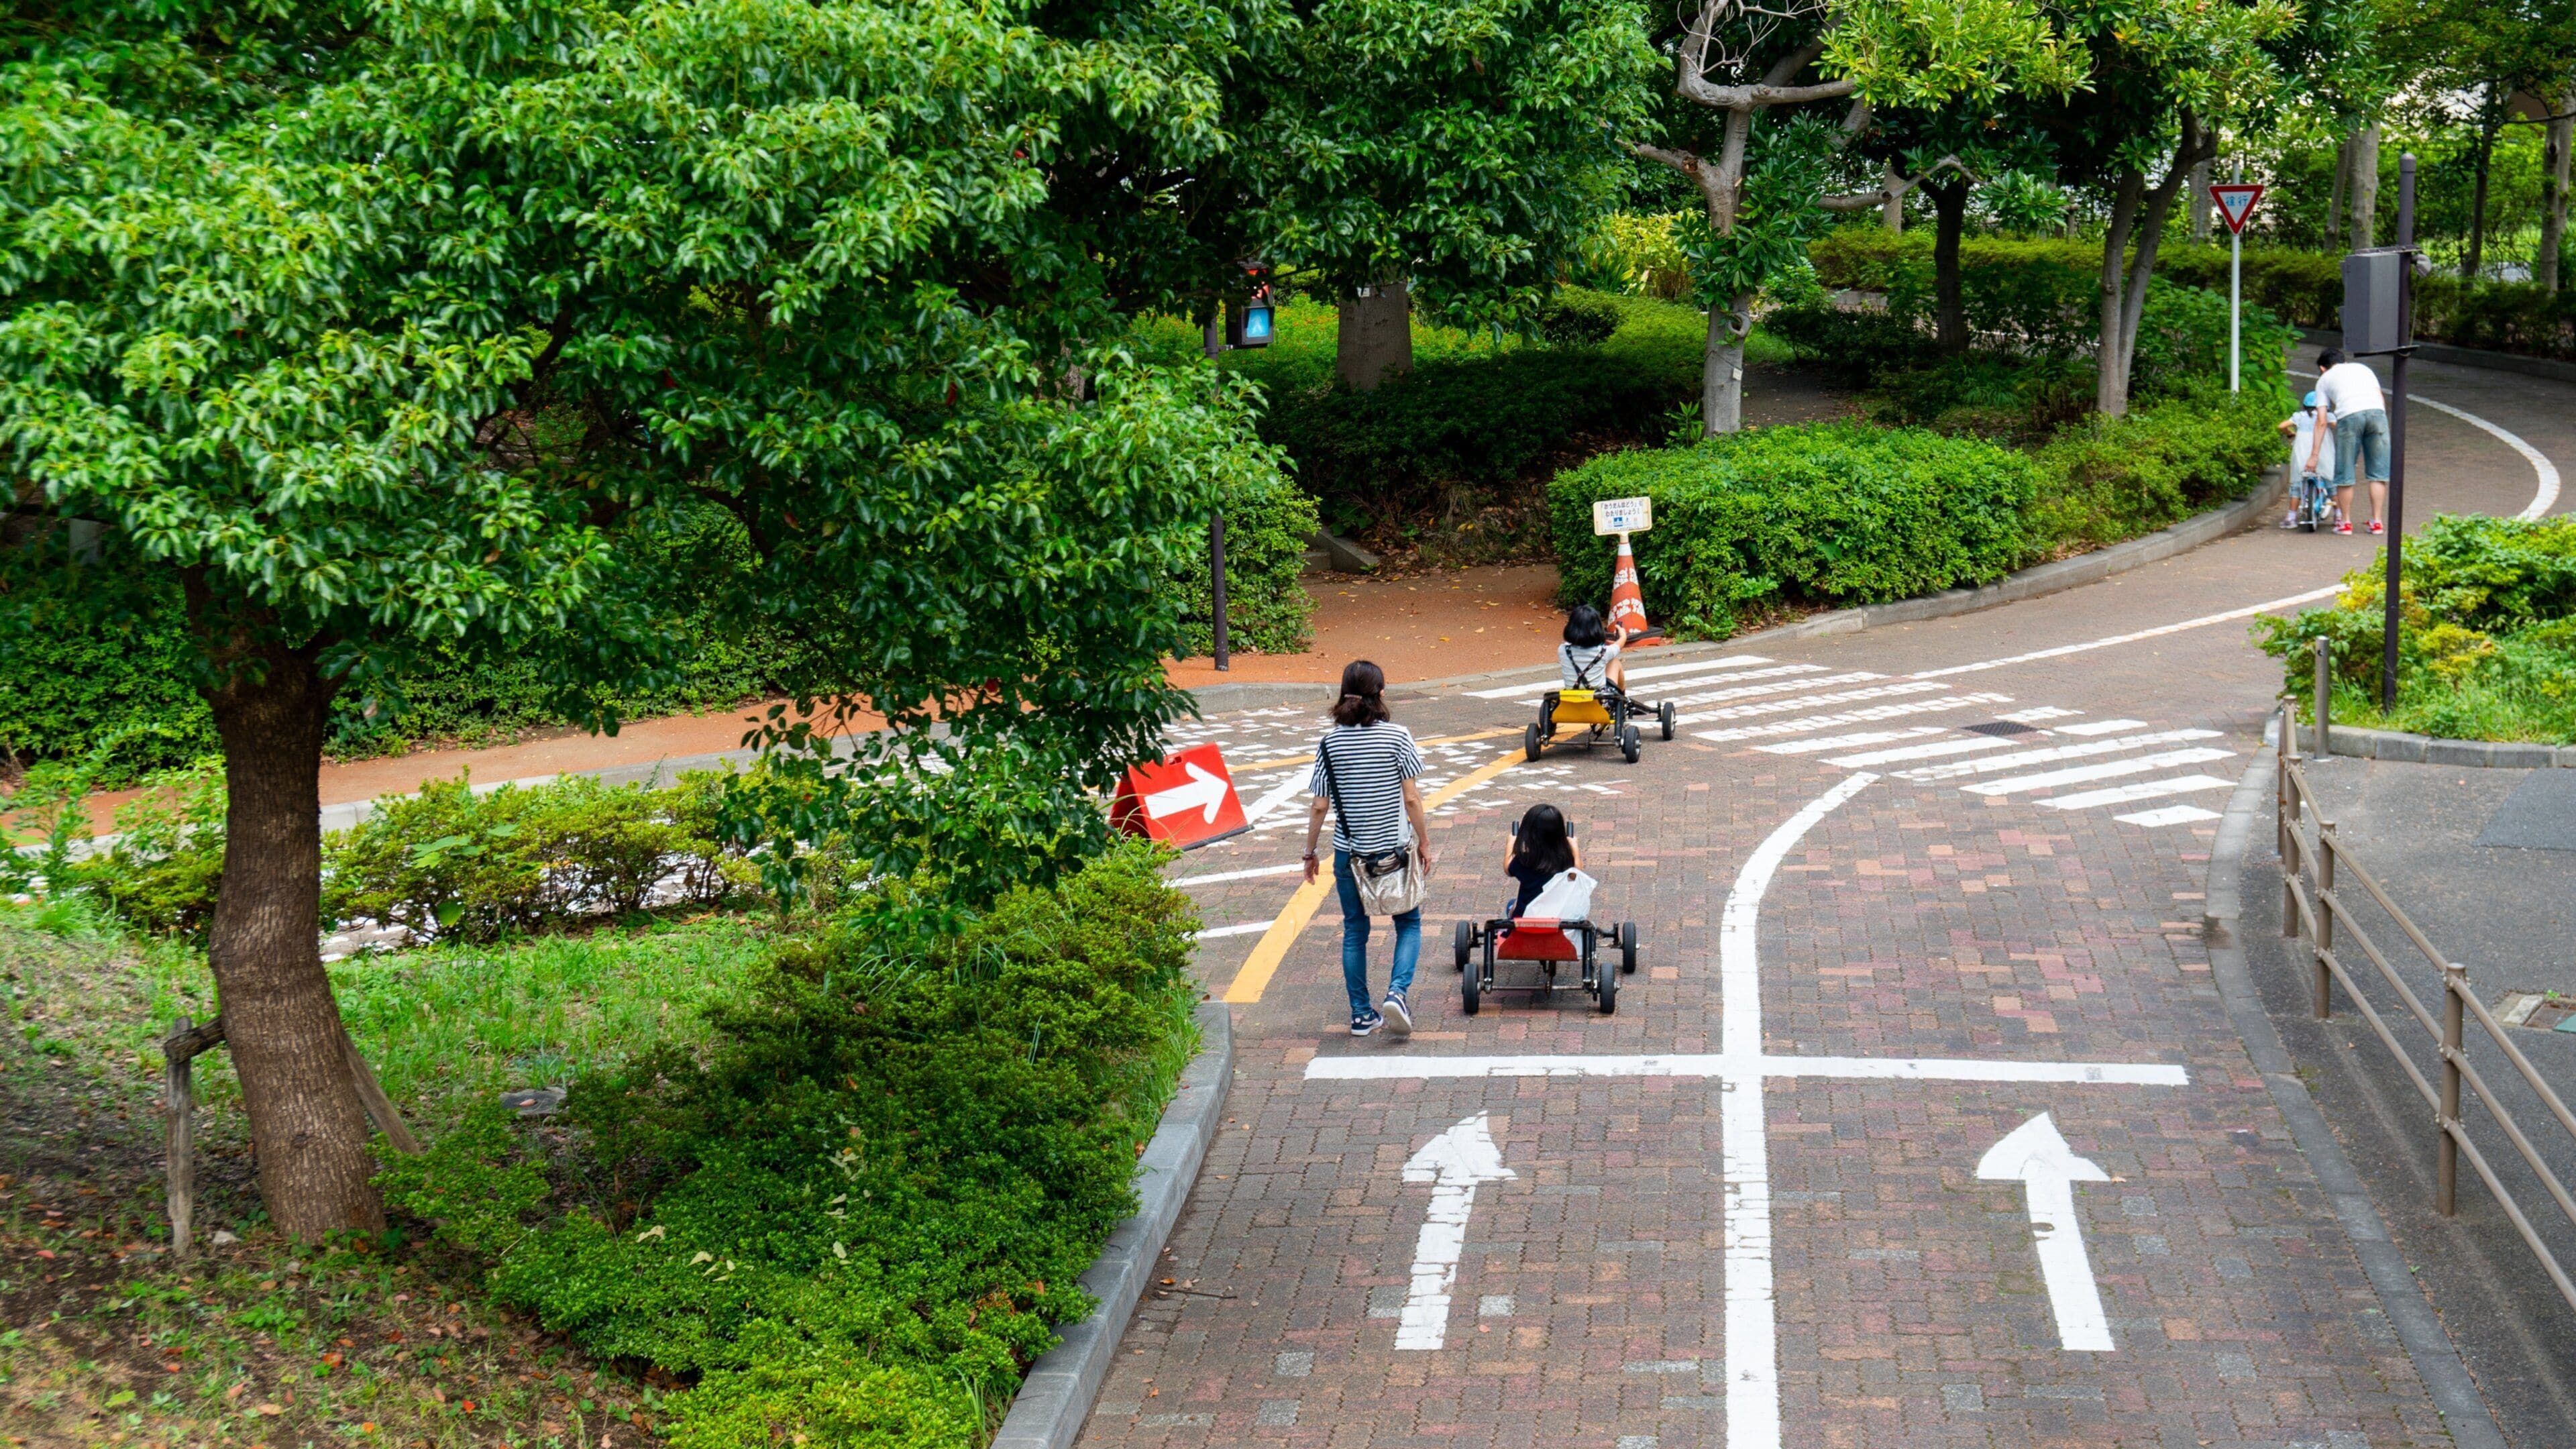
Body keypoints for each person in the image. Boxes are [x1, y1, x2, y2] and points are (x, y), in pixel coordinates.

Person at [1301, 660, 1434, 1038]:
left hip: (1349, 854)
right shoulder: (1397, 736)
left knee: (1354, 931)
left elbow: (1319, 806)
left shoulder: (1329, 743)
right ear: (1381, 694)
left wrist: (1309, 854)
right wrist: (1424, 842)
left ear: (1343, 693)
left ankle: (1361, 1015)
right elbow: (1411, 799)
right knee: (1408, 923)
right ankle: (1397, 992)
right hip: (1394, 850)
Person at [2316, 348, 2391, 536]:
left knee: (2345, 472)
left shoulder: (2324, 380)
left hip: (2349, 417)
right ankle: (2377, 522)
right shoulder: (2364, 369)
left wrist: (2315, 454)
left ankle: (2346, 523)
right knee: (2378, 472)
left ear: (2322, 368)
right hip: (2377, 414)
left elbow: (2322, 420)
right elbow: (2380, 399)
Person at [1501, 804, 1580, 918]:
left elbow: (1508, 868)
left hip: (1526, 921)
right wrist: (1574, 846)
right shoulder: (1565, 862)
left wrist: (1511, 842)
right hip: (1558, 919)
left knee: (1511, 904)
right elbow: (1577, 873)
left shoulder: (1524, 861)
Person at [2277, 389, 2336, 529]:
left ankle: (2291, 517)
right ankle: (2339, 515)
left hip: (2302, 455)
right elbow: (2334, 424)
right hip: (2322, 453)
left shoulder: (2299, 417)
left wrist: (2291, 434)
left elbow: (2282, 426)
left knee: (2297, 485)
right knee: (2331, 483)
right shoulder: (2327, 416)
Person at [1560, 604, 1631, 694]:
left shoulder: (1563, 650)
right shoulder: (1604, 652)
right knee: (1615, 662)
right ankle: (1622, 699)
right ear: (1597, 629)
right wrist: (1623, 635)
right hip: (1599, 702)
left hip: (1571, 700)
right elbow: (1619, 645)